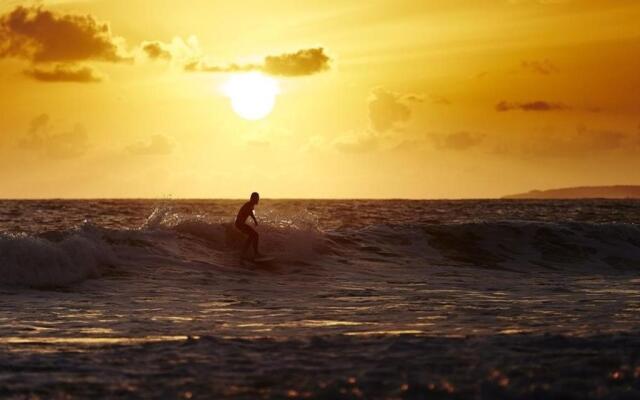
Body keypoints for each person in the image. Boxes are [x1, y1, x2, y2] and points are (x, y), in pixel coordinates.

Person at [235, 192, 262, 258]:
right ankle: (252, 253)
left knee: (253, 236)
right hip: (239, 224)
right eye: (257, 198)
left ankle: (245, 253)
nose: (258, 200)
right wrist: (242, 227)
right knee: (254, 235)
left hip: (240, 224)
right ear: (253, 199)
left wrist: (254, 220)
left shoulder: (250, 205)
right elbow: (241, 215)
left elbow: (250, 213)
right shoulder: (248, 205)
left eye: (258, 198)